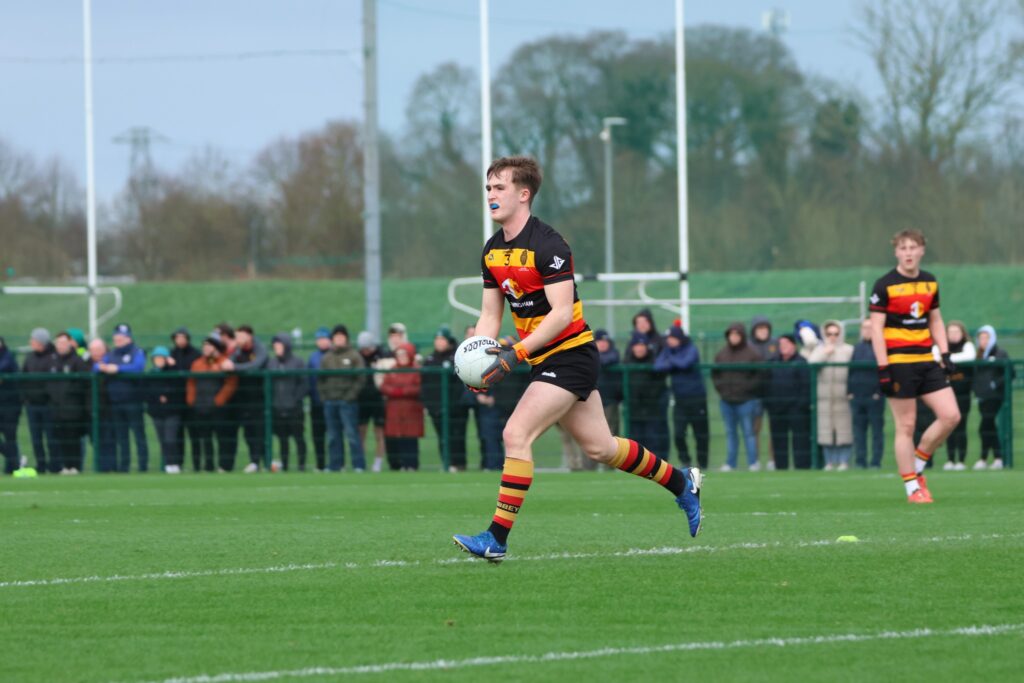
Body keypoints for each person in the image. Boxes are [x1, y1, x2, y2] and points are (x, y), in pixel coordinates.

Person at [451, 155, 702, 562]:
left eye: (499, 187)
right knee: (601, 448)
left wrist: (516, 353)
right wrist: (478, 362)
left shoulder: (549, 244)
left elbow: (562, 314)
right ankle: (681, 483)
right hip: (543, 359)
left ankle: (496, 538)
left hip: (571, 355)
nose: (491, 195)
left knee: (516, 434)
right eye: (488, 188)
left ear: (524, 194)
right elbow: (490, 315)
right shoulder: (492, 251)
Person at [869, 229, 960, 503]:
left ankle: (918, 465)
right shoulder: (884, 285)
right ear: (896, 252)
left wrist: (945, 353)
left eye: (913, 247)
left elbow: (935, 319)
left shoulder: (930, 281)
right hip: (899, 363)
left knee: (951, 416)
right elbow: (876, 329)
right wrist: (883, 368)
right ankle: (912, 488)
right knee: (906, 425)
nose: (908, 253)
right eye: (903, 248)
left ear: (922, 250)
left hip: (926, 360)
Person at [654, 324, 710, 470]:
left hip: (697, 398)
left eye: (672, 338)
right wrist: (673, 361)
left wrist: (671, 361)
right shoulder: (668, 350)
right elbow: (658, 365)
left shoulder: (691, 348)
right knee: (678, 434)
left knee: (700, 433)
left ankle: (702, 463)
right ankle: (685, 461)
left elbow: (685, 363)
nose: (669, 341)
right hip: (679, 399)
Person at [711, 322, 763, 471]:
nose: (734, 337)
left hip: (746, 400)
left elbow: (760, 375)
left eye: (737, 334)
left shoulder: (752, 354)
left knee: (749, 432)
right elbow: (715, 374)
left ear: (742, 336)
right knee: (730, 433)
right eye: (731, 334)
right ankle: (730, 463)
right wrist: (722, 390)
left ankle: (753, 462)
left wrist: (748, 389)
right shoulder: (722, 354)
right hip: (726, 400)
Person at [97, 323, 149, 473]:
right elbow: (98, 366)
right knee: (122, 437)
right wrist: (103, 368)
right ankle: (124, 466)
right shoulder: (112, 354)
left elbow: (138, 367)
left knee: (139, 435)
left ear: (128, 338)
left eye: (121, 337)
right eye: (116, 337)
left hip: (133, 401)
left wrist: (117, 369)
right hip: (116, 402)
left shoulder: (137, 351)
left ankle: (143, 466)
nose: (117, 340)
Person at [186, 332, 238, 472]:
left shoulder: (224, 362)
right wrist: (191, 400)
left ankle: (224, 466)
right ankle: (208, 465)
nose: (206, 348)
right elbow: (191, 382)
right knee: (205, 438)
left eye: (209, 346)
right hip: (201, 406)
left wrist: (219, 400)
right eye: (205, 346)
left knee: (222, 437)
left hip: (218, 407)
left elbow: (230, 383)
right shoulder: (197, 363)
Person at [318, 325, 367, 472]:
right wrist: (325, 397)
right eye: (336, 336)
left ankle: (358, 465)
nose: (339, 339)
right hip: (330, 401)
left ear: (346, 338)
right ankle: (335, 465)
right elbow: (320, 380)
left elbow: (360, 378)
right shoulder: (327, 357)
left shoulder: (354, 356)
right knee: (333, 435)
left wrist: (350, 396)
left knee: (352, 434)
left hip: (348, 402)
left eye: (341, 336)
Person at [421, 326, 469, 471]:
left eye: (442, 339)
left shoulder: (457, 357)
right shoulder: (430, 359)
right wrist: (429, 405)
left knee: (457, 436)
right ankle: (446, 463)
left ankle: (459, 464)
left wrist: (453, 405)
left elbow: (459, 385)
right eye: (437, 339)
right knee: (442, 437)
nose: (439, 342)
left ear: (448, 341)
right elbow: (425, 385)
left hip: (455, 408)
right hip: (436, 408)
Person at [809, 320, 854, 470]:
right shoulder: (820, 349)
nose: (833, 336)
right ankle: (829, 462)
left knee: (844, 430)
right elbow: (811, 363)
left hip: (843, 397)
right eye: (829, 334)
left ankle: (844, 461)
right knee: (826, 431)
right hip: (825, 398)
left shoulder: (848, 350)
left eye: (836, 333)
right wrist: (825, 353)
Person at [48, 332, 93, 474]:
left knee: (73, 438)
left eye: (63, 342)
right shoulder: (52, 360)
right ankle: (66, 466)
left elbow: (86, 383)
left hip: (74, 409)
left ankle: (75, 466)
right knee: (62, 439)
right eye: (58, 343)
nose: (61, 345)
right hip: (57, 408)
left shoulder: (77, 360)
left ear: (70, 344)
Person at [766, 334, 811, 470]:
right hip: (777, 408)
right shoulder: (772, 362)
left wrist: (800, 404)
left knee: (800, 439)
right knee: (779, 439)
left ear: (793, 345)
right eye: (781, 344)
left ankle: (802, 467)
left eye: (786, 344)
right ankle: (781, 467)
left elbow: (806, 386)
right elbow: (765, 384)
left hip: (796, 409)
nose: (783, 347)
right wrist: (770, 404)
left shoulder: (801, 362)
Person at [228, 325, 268, 473]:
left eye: (241, 336)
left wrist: (235, 367)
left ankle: (265, 461)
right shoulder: (237, 351)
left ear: (249, 336)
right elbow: (228, 363)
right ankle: (255, 461)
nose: (238, 339)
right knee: (248, 432)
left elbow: (255, 366)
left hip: (259, 398)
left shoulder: (260, 349)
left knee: (260, 431)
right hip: (242, 399)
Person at [379, 342, 424, 471]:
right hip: (394, 410)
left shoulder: (416, 370)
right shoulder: (392, 370)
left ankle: (411, 464)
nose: (402, 357)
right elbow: (384, 386)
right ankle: (396, 465)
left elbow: (419, 387)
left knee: (410, 438)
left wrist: (403, 391)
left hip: (411, 410)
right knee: (394, 437)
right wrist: (394, 391)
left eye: (404, 354)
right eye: (399, 355)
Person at [623, 332, 669, 460]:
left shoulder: (655, 363)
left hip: (652, 410)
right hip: (633, 411)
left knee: (653, 442)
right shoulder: (626, 362)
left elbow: (660, 384)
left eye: (642, 345)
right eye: (637, 345)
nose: (639, 348)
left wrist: (649, 395)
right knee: (635, 444)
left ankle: (656, 466)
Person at [847, 318, 886, 469]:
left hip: (875, 397)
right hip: (857, 397)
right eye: (864, 328)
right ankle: (860, 461)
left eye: (870, 327)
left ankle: (876, 461)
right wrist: (849, 391)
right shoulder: (856, 348)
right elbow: (850, 370)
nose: (867, 331)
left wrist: (879, 392)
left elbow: (885, 372)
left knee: (876, 431)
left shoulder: (881, 347)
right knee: (859, 432)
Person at [973, 325, 1012, 470]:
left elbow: (1010, 372)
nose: (983, 341)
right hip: (982, 397)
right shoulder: (978, 355)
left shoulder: (1000, 353)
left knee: (985, 426)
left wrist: (995, 384)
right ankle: (995, 458)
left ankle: (989, 458)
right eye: (981, 338)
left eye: (986, 338)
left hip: (995, 397)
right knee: (989, 427)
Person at [268, 333, 308, 471]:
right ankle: (284, 466)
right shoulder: (272, 363)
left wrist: (295, 399)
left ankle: (301, 466)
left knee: (299, 437)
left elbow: (304, 384)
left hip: (294, 408)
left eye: (279, 345)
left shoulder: (298, 362)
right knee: (282, 439)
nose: (276, 348)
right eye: (275, 345)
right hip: (278, 408)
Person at [22, 328, 57, 473]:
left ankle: (55, 465)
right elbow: (23, 377)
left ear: (41, 342)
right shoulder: (29, 357)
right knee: (36, 438)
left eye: (33, 339)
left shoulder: (53, 357)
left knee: (51, 437)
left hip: (49, 405)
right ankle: (41, 465)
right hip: (32, 405)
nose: (31, 342)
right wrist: (26, 398)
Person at [942, 322, 975, 470]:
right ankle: (950, 459)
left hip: (963, 395)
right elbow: (936, 355)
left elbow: (969, 356)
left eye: (957, 332)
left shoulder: (967, 347)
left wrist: (947, 359)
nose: (954, 335)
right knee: (948, 426)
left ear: (962, 333)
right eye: (951, 332)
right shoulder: (942, 347)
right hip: (946, 394)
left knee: (961, 426)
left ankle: (961, 460)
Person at [145, 346, 183, 473]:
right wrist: (158, 397)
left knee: (170, 439)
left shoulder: (173, 371)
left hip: (171, 411)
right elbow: (147, 392)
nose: (159, 360)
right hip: (157, 412)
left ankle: (175, 463)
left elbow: (178, 384)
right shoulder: (151, 373)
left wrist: (166, 395)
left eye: (161, 358)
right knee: (163, 440)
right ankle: (167, 464)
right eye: (156, 358)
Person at [355, 331, 388, 472]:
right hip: (362, 399)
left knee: (379, 432)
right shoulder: (357, 357)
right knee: (361, 432)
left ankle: (378, 463)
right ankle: (361, 462)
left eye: (367, 348)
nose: (365, 351)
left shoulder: (382, 355)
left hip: (378, 399)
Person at [170, 327, 202, 471]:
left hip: (192, 401)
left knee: (195, 434)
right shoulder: (172, 354)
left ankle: (197, 464)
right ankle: (178, 463)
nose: (180, 340)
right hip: (177, 401)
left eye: (182, 337)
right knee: (178, 434)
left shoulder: (195, 354)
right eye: (177, 338)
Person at [748, 316, 777, 468]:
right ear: (754, 330)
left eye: (765, 328)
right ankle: (755, 460)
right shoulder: (749, 345)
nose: (763, 331)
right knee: (755, 429)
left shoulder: (775, 343)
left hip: (773, 392)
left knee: (774, 428)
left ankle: (773, 460)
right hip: (755, 394)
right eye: (759, 328)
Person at [87, 338, 115, 472]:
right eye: (93, 350)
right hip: (91, 409)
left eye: (99, 349)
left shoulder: (112, 361)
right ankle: (100, 467)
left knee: (109, 440)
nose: (96, 352)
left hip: (108, 409)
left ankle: (111, 467)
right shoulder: (85, 364)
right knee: (95, 440)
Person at [306, 326, 332, 471]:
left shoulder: (334, 355)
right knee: (317, 435)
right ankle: (320, 464)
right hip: (316, 402)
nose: (322, 342)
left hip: (331, 401)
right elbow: (309, 379)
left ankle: (335, 463)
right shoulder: (313, 358)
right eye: (319, 339)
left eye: (324, 338)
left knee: (333, 435)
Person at [593, 329, 622, 439]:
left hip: (610, 400)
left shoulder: (613, 353)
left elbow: (607, 359)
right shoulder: (591, 354)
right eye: (600, 341)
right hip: (592, 401)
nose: (603, 343)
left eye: (605, 341)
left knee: (612, 433)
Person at [0, 337, 20, 475]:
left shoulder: (8, 356)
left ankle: (12, 467)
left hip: (9, 405)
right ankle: (15, 461)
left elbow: (4, 367)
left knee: (10, 436)